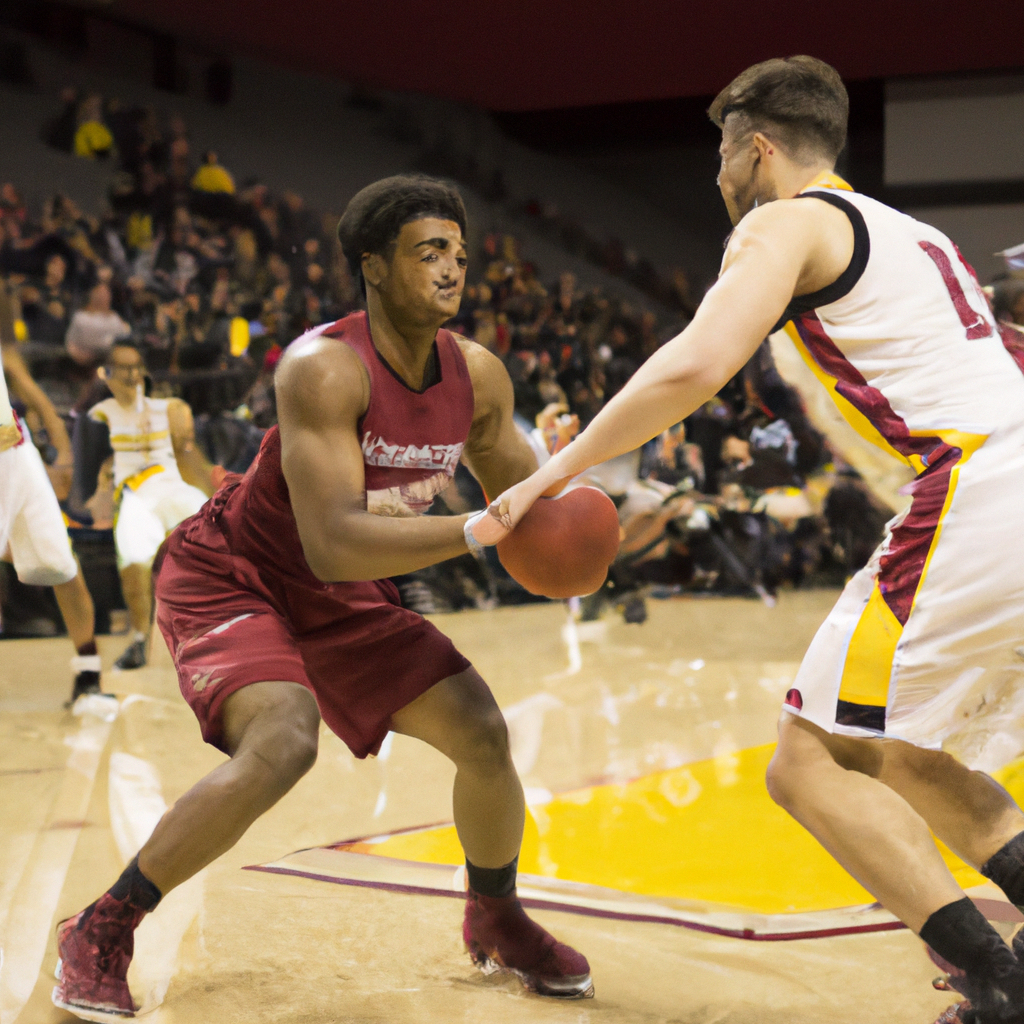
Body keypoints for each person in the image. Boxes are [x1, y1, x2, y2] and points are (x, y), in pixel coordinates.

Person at [475, 57, 1024, 1024]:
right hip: (1005, 475)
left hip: (976, 485)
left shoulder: (784, 220)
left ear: (756, 147)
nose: (718, 177)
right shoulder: (913, 231)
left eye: (721, 154)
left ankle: (1000, 984)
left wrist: (549, 474)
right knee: (903, 752)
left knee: (805, 761)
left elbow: (695, 363)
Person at [52, 175, 592, 1021]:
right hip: (236, 573)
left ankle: (497, 913)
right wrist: (481, 531)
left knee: (484, 733)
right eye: (427, 253)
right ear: (373, 268)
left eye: (457, 251)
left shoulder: (478, 377)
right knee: (283, 740)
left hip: (346, 593)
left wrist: (591, 528)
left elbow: (532, 508)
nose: (452, 269)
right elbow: (334, 538)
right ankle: (102, 925)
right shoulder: (322, 367)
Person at [82, 342, 218, 670]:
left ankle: (221, 631)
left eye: (136, 368)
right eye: (122, 369)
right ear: (108, 375)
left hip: (174, 488)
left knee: (215, 547)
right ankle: (141, 640)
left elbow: (191, 456)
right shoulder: (97, 417)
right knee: (133, 565)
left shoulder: (169, 409)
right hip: (135, 495)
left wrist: (212, 493)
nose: (131, 375)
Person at [0, 296, 101, 702]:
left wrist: (64, 446)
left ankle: (89, 676)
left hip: (17, 451)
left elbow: (26, 386)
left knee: (60, 562)